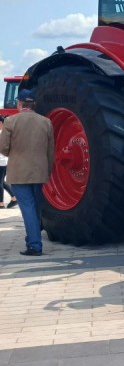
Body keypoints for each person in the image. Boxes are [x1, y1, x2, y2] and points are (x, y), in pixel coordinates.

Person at [0, 89, 54, 256]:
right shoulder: (46, 122)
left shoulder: (10, 121)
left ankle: (35, 245)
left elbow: (3, 148)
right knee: (35, 207)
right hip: (39, 171)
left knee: (28, 208)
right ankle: (31, 238)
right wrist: (47, 169)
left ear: (19, 103)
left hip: (19, 172)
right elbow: (50, 151)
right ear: (33, 104)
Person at [0, 116, 17, 209]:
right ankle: (14, 198)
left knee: (0, 182)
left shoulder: (1, 133)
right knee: (1, 181)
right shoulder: (6, 133)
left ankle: (1, 203)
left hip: (1, 161)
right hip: (5, 161)